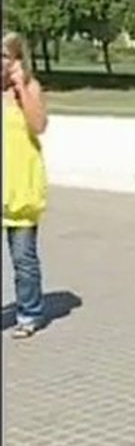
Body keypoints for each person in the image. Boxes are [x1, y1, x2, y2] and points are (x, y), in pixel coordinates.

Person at [3, 31, 49, 339]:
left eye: (5, 56)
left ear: (17, 59)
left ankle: (29, 312)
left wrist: (21, 88)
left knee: (23, 259)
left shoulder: (29, 88)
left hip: (20, 185)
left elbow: (38, 126)